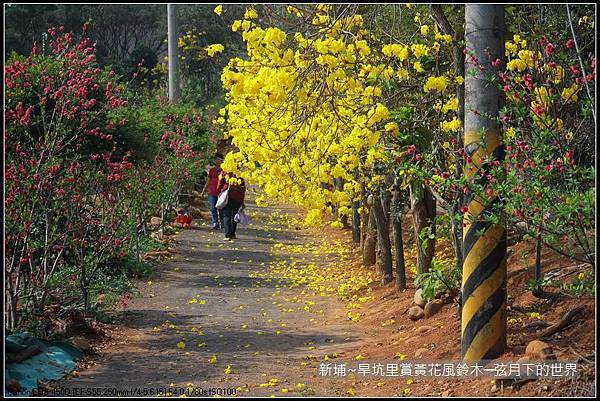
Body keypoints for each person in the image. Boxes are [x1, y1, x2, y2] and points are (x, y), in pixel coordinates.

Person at [216, 170, 246, 241]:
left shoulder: (224, 172)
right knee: (234, 215)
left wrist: (219, 193)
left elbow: (220, 184)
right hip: (238, 197)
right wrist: (242, 201)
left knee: (227, 215)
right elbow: (243, 188)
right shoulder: (239, 173)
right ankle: (232, 234)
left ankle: (227, 235)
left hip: (228, 196)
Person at [201, 154, 224, 229]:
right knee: (213, 208)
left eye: (217, 159)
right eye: (215, 159)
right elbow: (208, 181)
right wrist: (203, 191)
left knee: (220, 207)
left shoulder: (224, 170)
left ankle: (222, 222)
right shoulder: (212, 170)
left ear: (221, 160)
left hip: (221, 192)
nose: (216, 161)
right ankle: (215, 223)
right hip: (212, 192)